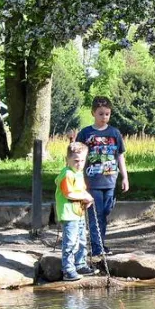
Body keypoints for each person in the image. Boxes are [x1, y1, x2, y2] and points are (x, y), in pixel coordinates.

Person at [75, 96, 129, 259]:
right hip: (92, 182)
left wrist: (125, 177)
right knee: (95, 215)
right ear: (93, 113)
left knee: (105, 212)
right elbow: (77, 155)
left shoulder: (114, 133)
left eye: (107, 114)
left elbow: (120, 156)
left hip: (110, 181)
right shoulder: (85, 133)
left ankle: (100, 242)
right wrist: (77, 178)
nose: (104, 117)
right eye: (100, 114)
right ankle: (97, 247)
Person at [54, 142, 97, 281]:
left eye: (83, 160)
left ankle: (80, 264)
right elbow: (69, 194)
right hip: (69, 213)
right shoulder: (67, 174)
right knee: (71, 242)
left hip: (78, 213)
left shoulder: (78, 173)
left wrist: (87, 198)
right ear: (67, 160)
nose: (80, 164)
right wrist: (84, 197)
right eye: (76, 161)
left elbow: (81, 190)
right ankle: (68, 269)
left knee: (82, 240)